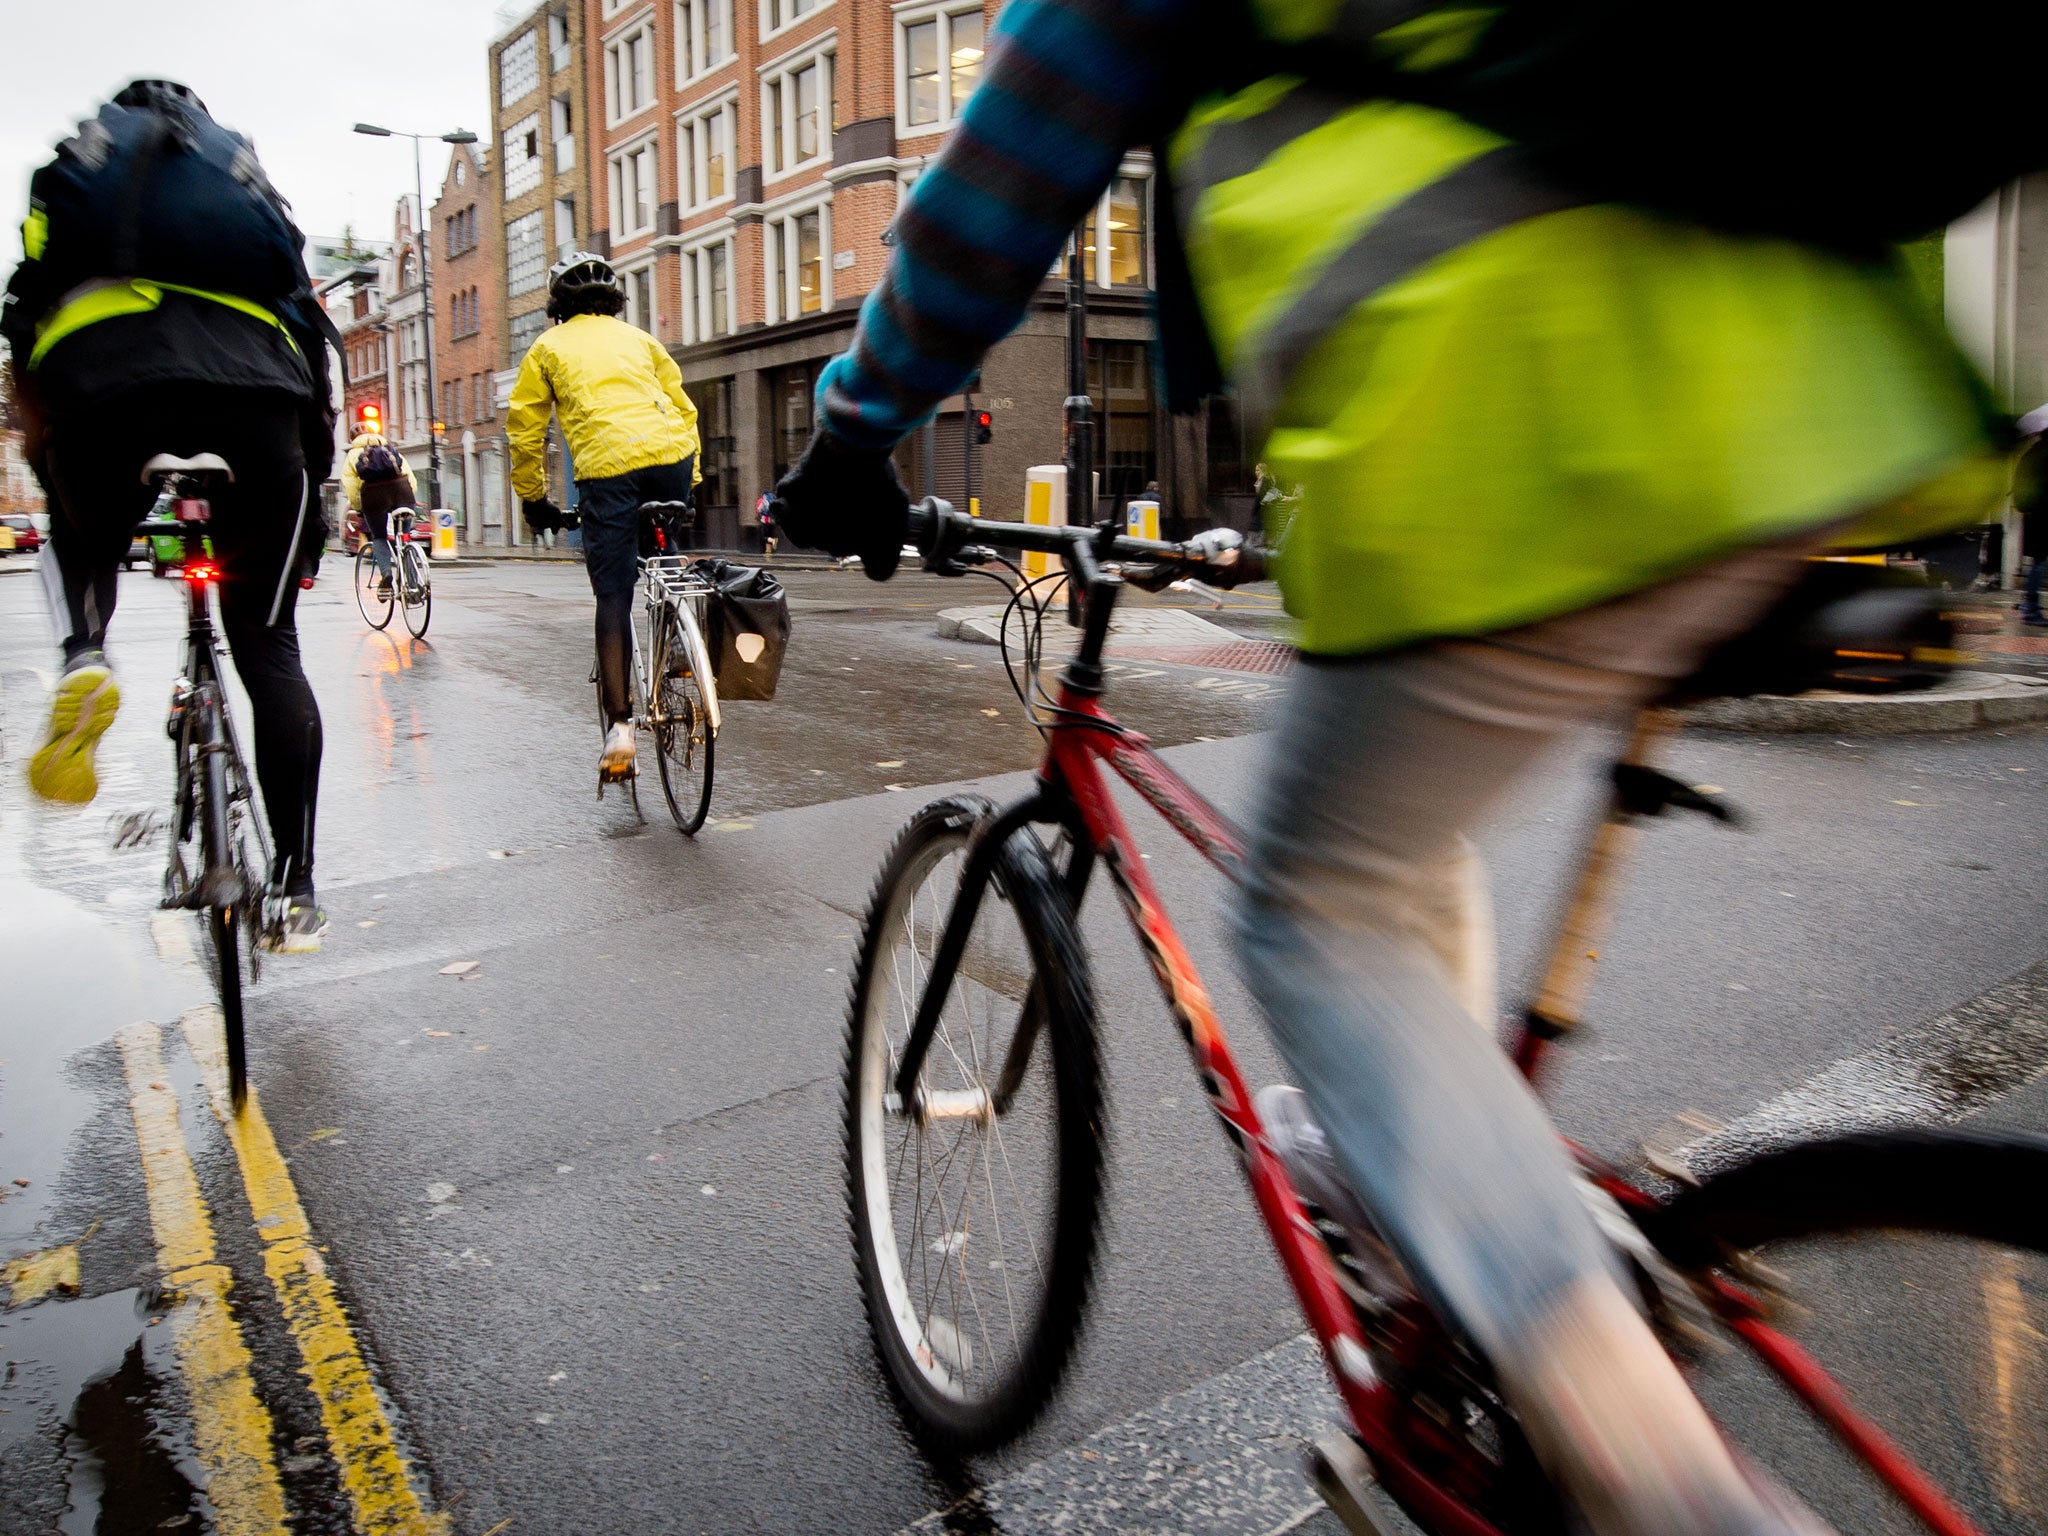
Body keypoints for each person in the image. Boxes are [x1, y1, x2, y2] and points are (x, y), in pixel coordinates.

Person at [770, 2, 2012, 1531]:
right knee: (1400, 836)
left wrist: (848, 443)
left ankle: (1650, 1461)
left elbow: (1004, 174)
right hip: (1805, 396)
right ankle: (1455, 1208)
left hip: (1518, 396)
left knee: (1313, 913)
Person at [4, 79, 337, 950]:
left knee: (76, 535)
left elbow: (23, 309)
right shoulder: (243, 187)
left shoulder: (83, 172)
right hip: (257, 403)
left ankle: (85, 656)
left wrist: (53, 453)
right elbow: (311, 331)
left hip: (105, 390)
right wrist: (315, 488)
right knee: (269, 647)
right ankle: (297, 888)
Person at [508, 252, 700, 777]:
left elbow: (525, 430)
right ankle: (680, 641)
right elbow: (683, 409)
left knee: (613, 594)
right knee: (662, 555)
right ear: (613, 302)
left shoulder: (547, 347)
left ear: (557, 306)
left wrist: (533, 498)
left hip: (608, 470)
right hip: (671, 462)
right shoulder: (643, 341)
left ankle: (619, 731)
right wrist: (693, 478)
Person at [341, 429, 418, 600]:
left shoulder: (353, 454)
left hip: (374, 497)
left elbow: (352, 488)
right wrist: (409, 497)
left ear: (353, 439)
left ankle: (386, 575)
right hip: (403, 492)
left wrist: (359, 508)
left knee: (379, 537)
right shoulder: (389, 448)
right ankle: (413, 586)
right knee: (405, 537)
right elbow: (410, 478)